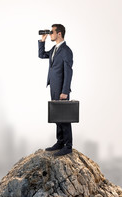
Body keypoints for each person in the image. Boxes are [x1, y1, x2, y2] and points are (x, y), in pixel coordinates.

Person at [38, 24, 74, 156]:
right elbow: (41, 55)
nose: (50, 34)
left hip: (61, 90)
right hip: (53, 87)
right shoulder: (54, 49)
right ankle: (60, 141)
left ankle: (68, 145)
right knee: (57, 116)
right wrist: (43, 40)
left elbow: (68, 73)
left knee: (64, 117)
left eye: (52, 32)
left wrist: (65, 91)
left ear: (59, 34)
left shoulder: (66, 51)